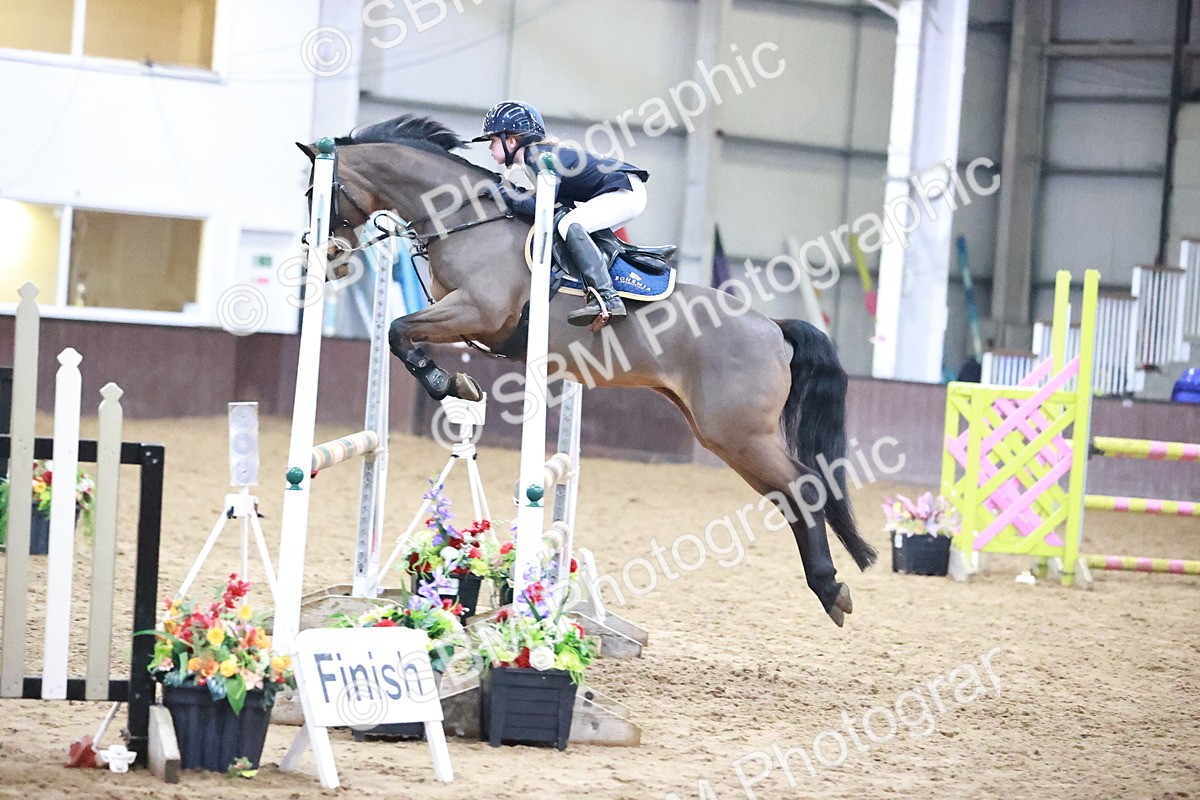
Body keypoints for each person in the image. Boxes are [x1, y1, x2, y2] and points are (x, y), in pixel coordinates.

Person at [472, 101, 649, 328]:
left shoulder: (536, 157)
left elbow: (542, 207)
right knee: (570, 226)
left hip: (625, 190)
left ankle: (607, 297)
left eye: (493, 140)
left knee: (570, 225)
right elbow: (557, 204)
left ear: (512, 140)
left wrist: (504, 195)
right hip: (625, 190)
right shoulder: (536, 158)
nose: (489, 148)